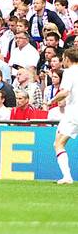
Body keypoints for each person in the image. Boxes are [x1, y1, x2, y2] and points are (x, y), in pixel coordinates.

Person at [49, 47, 78, 184]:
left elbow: (65, 92)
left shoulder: (69, 72)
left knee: (59, 144)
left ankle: (67, 177)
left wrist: (52, 101)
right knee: (57, 142)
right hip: (72, 113)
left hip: (73, 113)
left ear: (67, 59)